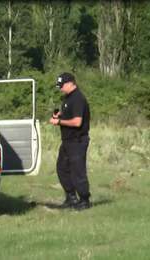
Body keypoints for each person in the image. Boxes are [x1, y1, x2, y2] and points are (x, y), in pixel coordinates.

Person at [49, 72, 91, 210]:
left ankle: (84, 200)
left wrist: (58, 121)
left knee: (77, 171)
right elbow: (70, 115)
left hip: (77, 141)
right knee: (61, 168)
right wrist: (60, 115)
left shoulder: (78, 98)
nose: (60, 88)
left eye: (61, 86)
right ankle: (71, 197)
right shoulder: (68, 98)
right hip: (67, 141)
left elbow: (77, 122)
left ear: (70, 83)